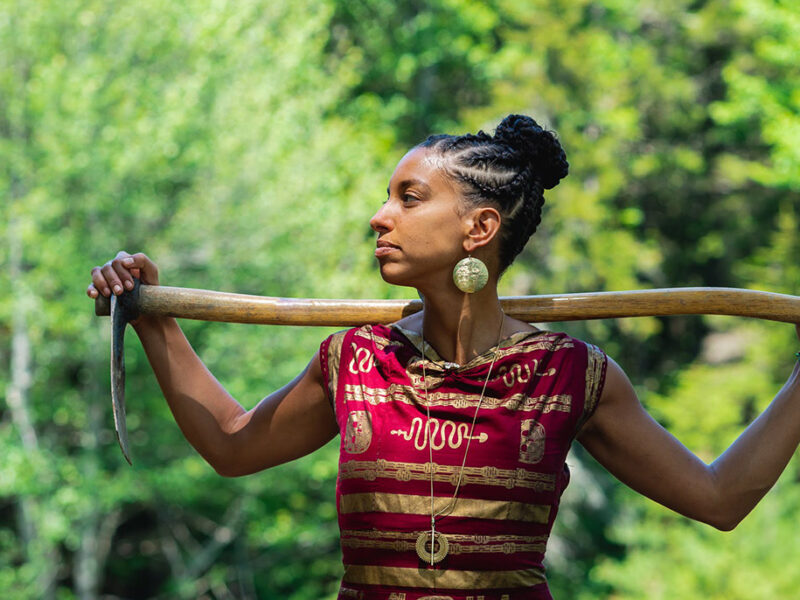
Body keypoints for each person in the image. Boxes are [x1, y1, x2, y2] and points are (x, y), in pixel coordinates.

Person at [88, 114, 800, 600]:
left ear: (479, 227)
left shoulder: (571, 377)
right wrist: (152, 318)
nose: (380, 216)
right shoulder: (354, 361)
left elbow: (719, 499)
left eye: (409, 197)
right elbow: (232, 447)